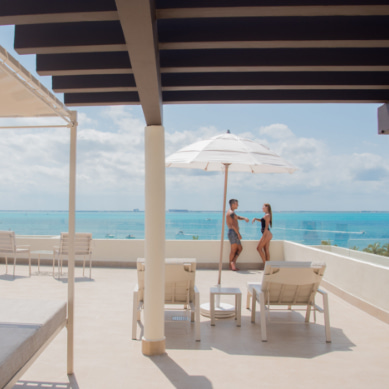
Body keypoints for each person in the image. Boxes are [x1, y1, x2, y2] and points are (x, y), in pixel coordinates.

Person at [226, 199, 249, 271]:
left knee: (240, 248)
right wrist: (238, 234)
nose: (238, 205)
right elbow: (233, 225)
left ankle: (233, 262)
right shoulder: (231, 213)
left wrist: (244, 218)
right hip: (233, 232)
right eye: (236, 204)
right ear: (233, 204)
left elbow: (237, 217)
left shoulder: (232, 212)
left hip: (234, 232)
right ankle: (231, 265)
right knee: (233, 250)